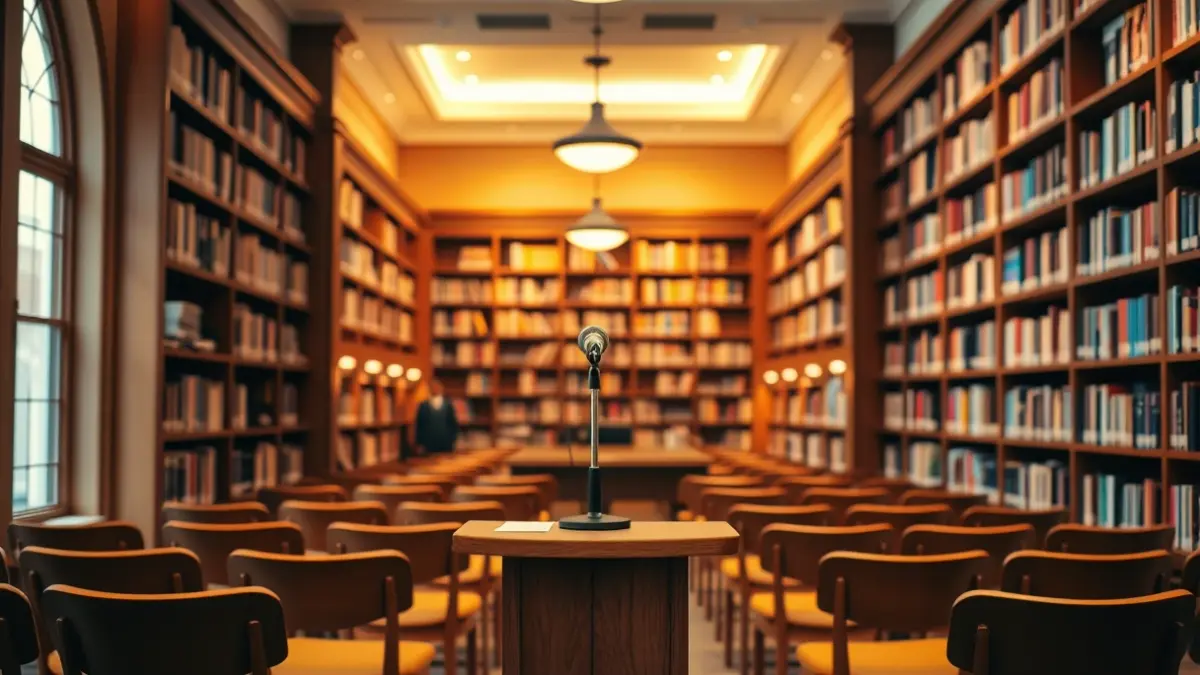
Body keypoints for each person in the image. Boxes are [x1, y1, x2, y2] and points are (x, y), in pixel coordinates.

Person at [415, 379, 459, 455]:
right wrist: (419, 443)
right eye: (432, 387)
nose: (434, 389)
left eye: (437, 387)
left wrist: (453, 440)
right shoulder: (423, 405)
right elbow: (420, 426)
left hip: (446, 443)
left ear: (441, 388)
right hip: (428, 444)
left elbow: (453, 424)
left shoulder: (448, 405)